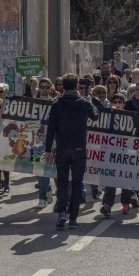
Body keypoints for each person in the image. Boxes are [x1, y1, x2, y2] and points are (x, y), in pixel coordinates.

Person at [44, 73, 99, 229]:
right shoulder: (84, 103)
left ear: (63, 87)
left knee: (61, 183)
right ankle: (73, 218)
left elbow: (51, 129)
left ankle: (62, 212)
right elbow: (96, 115)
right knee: (76, 184)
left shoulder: (56, 105)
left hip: (62, 149)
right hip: (79, 149)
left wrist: (48, 149)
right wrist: (90, 100)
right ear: (76, 87)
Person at [100, 94, 134, 216]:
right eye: (115, 101)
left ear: (124, 104)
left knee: (126, 179)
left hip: (126, 153)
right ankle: (107, 205)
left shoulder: (129, 117)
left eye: (120, 101)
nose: (118, 103)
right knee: (111, 178)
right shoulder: (107, 116)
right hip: (110, 152)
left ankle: (126, 204)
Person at [35, 78, 55, 209]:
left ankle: (42, 198)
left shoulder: (54, 105)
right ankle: (47, 188)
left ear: (51, 88)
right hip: (36, 141)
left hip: (50, 141)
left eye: (47, 87)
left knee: (45, 170)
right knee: (38, 171)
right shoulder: (32, 104)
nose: (44, 89)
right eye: (42, 87)